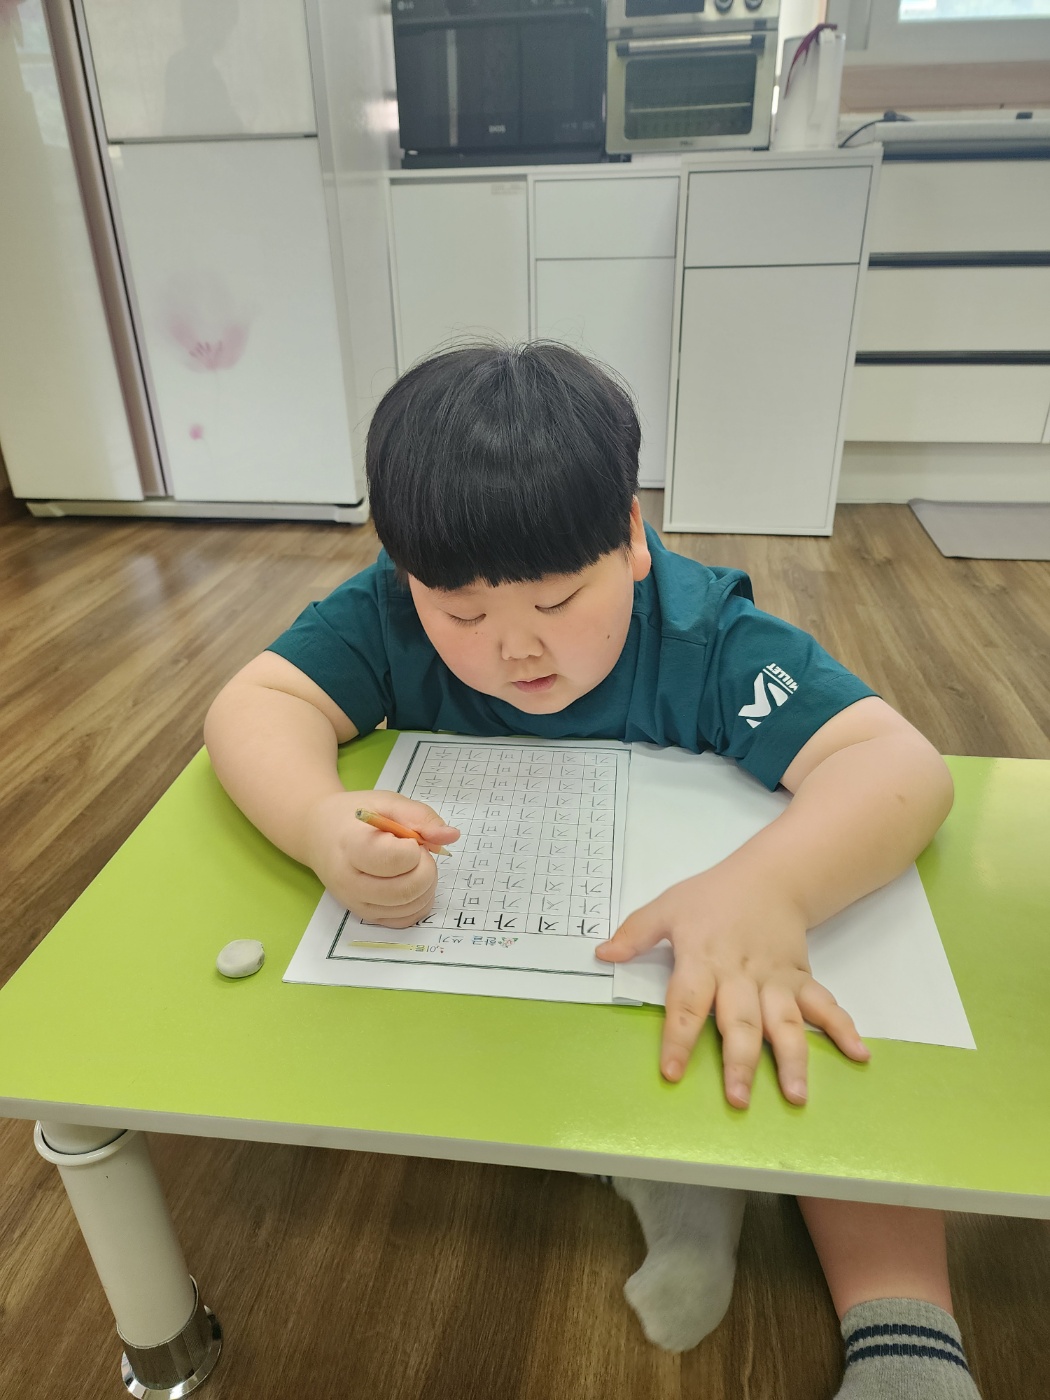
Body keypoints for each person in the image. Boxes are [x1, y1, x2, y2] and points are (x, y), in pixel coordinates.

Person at [204, 343, 979, 1400]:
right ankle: (666, 1172)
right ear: (406, 574)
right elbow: (257, 703)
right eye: (462, 615)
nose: (514, 650)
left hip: (696, 956)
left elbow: (900, 765)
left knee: (831, 996)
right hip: (516, 1007)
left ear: (632, 541)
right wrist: (316, 816)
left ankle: (905, 1326)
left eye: (560, 602)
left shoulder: (706, 635)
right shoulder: (388, 609)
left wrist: (772, 887)